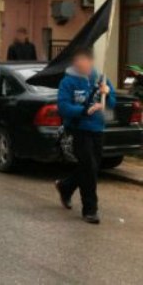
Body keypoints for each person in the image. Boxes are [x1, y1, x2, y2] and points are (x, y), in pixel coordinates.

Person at [54, 47, 115, 225]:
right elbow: (63, 107)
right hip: (79, 129)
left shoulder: (100, 78)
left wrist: (108, 94)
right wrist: (84, 110)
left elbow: (111, 104)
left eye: (87, 61)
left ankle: (65, 187)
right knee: (88, 167)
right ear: (75, 62)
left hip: (97, 129)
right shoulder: (68, 82)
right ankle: (90, 209)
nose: (84, 64)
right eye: (80, 61)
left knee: (91, 167)